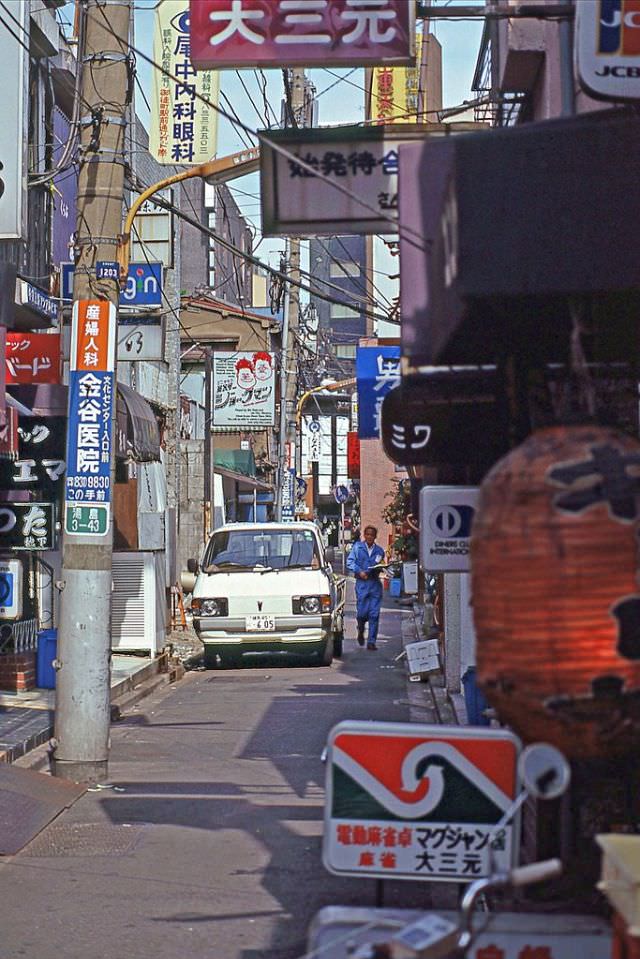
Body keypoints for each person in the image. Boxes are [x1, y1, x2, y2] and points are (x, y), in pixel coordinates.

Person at [347, 524, 386, 649]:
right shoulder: (357, 548)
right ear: (364, 535)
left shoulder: (379, 551)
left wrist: (381, 567)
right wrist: (359, 571)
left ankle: (371, 642)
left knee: (374, 614)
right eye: (367, 534)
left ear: (375, 537)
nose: (369, 537)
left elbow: (380, 563)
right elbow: (350, 562)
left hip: (374, 583)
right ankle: (361, 628)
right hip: (362, 584)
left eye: (372, 535)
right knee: (362, 613)